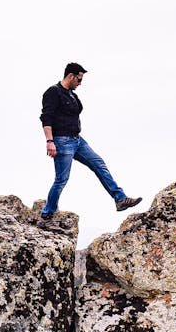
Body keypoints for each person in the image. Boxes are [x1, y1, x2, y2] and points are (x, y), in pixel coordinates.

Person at [39, 62, 141, 221]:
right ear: (70, 76)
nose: (80, 83)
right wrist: (50, 141)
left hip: (77, 140)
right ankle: (46, 216)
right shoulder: (53, 92)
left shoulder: (72, 95)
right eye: (79, 79)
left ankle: (120, 199)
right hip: (61, 141)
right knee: (61, 180)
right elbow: (46, 118)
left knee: (99, 164)